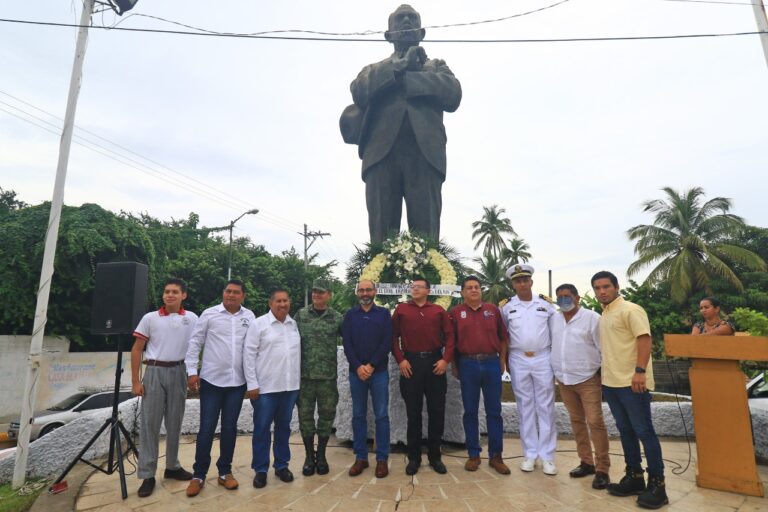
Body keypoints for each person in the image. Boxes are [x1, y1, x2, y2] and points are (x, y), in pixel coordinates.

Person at [341, 4, 462, 243]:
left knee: (427, 234)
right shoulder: (374, 70)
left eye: (412, 18)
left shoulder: (437, 67)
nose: (406, 20)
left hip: (425, 154)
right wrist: (397, 67)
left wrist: (409, 77)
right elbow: (359, 91)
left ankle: (426, 280)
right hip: (381, 155)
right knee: (381, 233)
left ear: (422, 32)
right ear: (388, 35)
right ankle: (377, 279)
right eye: (400, 18)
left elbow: (453, 94)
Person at [592, 270, 668, 509]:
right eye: (597, 288)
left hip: (633, 382)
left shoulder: (631, 309)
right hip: (612, 383)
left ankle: (658, 485)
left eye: (606, 286)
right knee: (625, 431)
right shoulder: (605, 314)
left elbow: (644, 339)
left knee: (644, 431)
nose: (602, 291)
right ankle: (634, 476)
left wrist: (639, 371)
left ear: (616, 287)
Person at [184, 280, 255, 497]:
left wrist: (253, 380)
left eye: (236, 293)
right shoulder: (209, 314)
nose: (231, 295)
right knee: (206, 428)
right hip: (212, 381)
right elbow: (195, 342)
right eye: (227, 291)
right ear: (223, 293)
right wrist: (191, 371)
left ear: (243, 296)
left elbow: (253, 348)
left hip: (236, 383)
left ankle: (225, 472)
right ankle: (199, 475)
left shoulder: (249, 317)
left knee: (230, 428)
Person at [131, 278, 198, 498]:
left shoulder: (192, 318)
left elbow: (196, 347)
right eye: (167, 291)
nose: (170, 295)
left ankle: (172, 467)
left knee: (174, 422)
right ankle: (147, 474)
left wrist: (192, 373)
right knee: (150, 425)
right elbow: (137, 349)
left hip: (179, 371)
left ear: (183, 295)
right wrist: (135, 381)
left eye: (175, 292)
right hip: (154, 372)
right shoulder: (150, 318)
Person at [392, 277, 454, 475]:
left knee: (437, 412)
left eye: (419, 287)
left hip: (435, 363)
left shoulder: (438, 311)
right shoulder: (401, 309)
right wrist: (401, 359)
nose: (415, 289)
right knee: (413, 414)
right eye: (413, 287)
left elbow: (451, 336)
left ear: (428, 290)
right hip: (411, 364)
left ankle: (435, 457)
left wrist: (445, 360)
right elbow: (393, 337)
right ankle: (414, 458)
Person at [550, 283, 610, 489]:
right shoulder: (554, 319)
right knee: (577, 422)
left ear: (577, 298)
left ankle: (602, 469)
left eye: (568, 296)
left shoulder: (592, 318)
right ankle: (586, 462)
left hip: (588, 379)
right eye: (560, 297)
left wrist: (603, 376)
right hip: (564, 380)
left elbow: (603, 348)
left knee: (595, 422)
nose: (564, 300)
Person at [500, 264, 558, 475]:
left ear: (531, 282)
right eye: (517, 281)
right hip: (518, 358)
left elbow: (555, 333)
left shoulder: (546, 304)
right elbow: (503, 336)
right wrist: (504, 360)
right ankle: (530, 454)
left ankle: (548, 456)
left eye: (525, 280)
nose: (522, 284)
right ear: (513, 284)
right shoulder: (506, 307)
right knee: (525, 407)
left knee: (546, 406)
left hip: (543, 357)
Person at [450, 275, 510, 474]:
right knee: (470, 411)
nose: (474, 290)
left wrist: (501, 361)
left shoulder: (492, 310)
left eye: (477, 287)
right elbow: (452, 343)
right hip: (468, 364)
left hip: (491, 363)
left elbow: (503, 338)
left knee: (494, 411)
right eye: (469, 287)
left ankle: (496, 456)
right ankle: (473, 454)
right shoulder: (456, 313)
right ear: (463, 292)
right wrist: (455, 365)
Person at [244, 289, 301, 488]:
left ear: (289, 303)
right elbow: (248, 355)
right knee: (261, 429)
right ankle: (260, 470)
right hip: (265, 388)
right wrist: (252, 384)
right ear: (270, 303)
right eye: (278, 301)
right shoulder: (258, 324)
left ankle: (281, 465)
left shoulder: (293, 325)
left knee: (284, 428)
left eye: (285, 300)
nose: (282, 304)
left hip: (289, 387)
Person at [341, 280, 392, 478]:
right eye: (361, 290)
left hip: (378, 372)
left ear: (375, 292)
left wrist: (370, 365)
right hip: (357, 373)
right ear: (357, 293)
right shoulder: (350, 315)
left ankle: (382, 459)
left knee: (381, 416)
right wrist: (358, 366)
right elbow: (347, 343)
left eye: (368, 289)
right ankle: (360, 457)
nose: (365, 293)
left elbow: (386, 342)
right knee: (358, 415)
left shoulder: (384, 315)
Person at [294, 279, 343, 477]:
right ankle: (308, 456)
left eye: (321, 292)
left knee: (326, 417)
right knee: (305, 418)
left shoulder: (337, 318)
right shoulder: (301, 315)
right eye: (314, 291)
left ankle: (321, 455)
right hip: (304, 378)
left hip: (327, 378)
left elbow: (352, 338)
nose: (316, 295)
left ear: (329, 295)